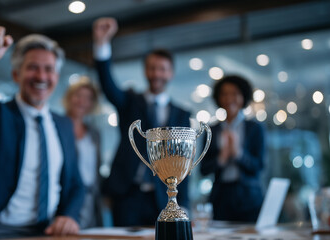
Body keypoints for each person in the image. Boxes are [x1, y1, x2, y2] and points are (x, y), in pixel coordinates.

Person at [0, 26, 85, 239]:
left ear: (56, 77)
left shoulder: (64, 124)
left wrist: (69, 215)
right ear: (15, 74)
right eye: (33, 67)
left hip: (47, 233)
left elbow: (76, 184)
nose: (41, 76)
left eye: (48, 69)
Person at [92, 17, 191, 226]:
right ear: (145, 71)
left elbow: (185, 160)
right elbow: (108, 85)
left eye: (162, 69)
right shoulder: (129, 102)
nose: (157, 74)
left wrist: (185, 203)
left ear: (171, 73)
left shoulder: (182, 114)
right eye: (152, 68)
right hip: (127, 194)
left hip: (164, 197)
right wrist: (102, 44)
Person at [200, 75, 265, 222]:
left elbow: (260, 166)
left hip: (249, 198)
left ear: (243, 96)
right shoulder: (211, 130)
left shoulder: (255, 128)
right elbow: (203, 169)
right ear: (218, 98)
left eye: (235, 93)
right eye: (224, 94)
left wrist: (239, 154)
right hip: (220, 197)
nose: (229, 98)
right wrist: (221, 159)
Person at [63, 77, 103, 228]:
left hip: (91, 198)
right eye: (78, 96)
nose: (82, 101)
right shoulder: (58, 126)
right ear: (69, 97)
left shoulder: (94, 133)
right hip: (67, 196)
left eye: (88, 98)